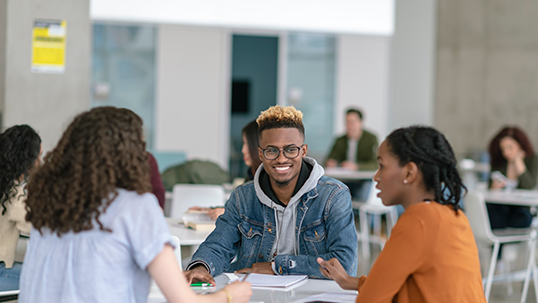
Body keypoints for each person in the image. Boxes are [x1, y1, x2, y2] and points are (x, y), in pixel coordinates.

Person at [19, 107, 251, 303]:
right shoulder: (135, 207)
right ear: (131, 154)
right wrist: (230, 294)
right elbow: (184, 301)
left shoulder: (48, 206)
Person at [185, 105, 357, 284]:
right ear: (260, 153)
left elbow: (344, 264)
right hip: (256, 295)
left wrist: (278, 267)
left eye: (291, 149)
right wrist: (200, 268)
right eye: (272, 150)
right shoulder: (243, 197)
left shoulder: (333, 196)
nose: (281, 158)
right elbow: (219, 245)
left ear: (304, 151)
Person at [317, 126, 487, 303]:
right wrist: (349, 281)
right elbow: (413, 285)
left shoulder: (419, 219)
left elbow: (370, 300)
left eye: (382, 166)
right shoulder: (453, 215)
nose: (376, 176)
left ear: (409, 173)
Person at [190, 120, 262, 220]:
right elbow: (243, 209)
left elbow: (262, 218)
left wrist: (229, 214)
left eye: (246, 144)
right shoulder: (251, 176)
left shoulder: (268, 182)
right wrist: (209, 211)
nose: (243, 150)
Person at [0, 125, 42, 291]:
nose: (40, 162)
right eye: (39, 156)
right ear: (27, 159)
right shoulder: (13, 194)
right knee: (51, 279)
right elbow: (38, 226)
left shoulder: (5, 186)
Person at [487, 126, 538, 229]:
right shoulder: (499, 162)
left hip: (521, 208)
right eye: (503, 149)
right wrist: (494, 188)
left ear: (520, 145)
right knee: (494, 217)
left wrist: (518, 162)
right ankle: (498, 243)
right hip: (500, 207)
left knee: (522, 219)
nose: (506, 153)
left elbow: (529, 185)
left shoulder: (532, 160)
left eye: (510, 147)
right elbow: (489, 189)